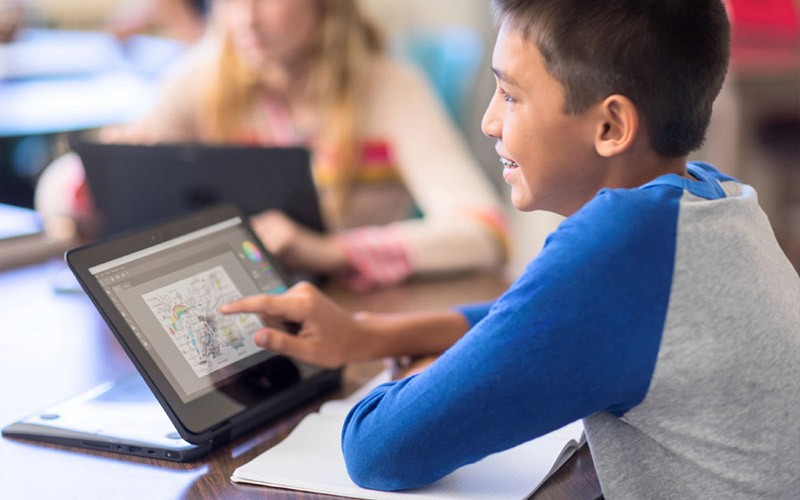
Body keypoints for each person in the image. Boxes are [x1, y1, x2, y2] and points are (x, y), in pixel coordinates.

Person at [220, 0, 800, 496]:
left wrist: (432, 375)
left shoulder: (615, 247)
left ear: (610, 127)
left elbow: (378, 451)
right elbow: (534, 318)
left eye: (510, 94)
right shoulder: (712, 193)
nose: (488, 122)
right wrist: (373, 333)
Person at [35, 0, 507, 291]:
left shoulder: (388, 87)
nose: (246, 19)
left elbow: (484, 234)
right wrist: (104, 170)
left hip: (353, 322)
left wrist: (326, 251)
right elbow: (57, 193)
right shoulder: (201, 78)